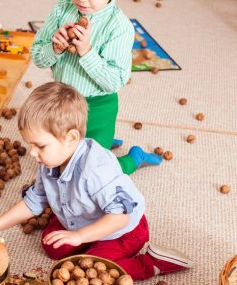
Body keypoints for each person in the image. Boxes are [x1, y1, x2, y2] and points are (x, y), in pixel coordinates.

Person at [0, 82, 192, 280]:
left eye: (40, 146)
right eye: (30, 144)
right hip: (85, 219)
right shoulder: (48, 162)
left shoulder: (96, 168)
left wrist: (79, 236)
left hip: (121, 230)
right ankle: (81, 232)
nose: (32, 153)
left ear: (72, 138)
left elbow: (120, 217)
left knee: (87, 270)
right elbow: (33, 202)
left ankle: (151, 263)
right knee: (52, 246)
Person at [31, 0, 162, 175]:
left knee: (92, 173)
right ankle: (101, 142)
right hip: (61, 105)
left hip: (98, 108)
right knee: (55, 164)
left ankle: (134, 157)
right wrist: (54, 48)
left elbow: (114, 82)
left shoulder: (119, 26)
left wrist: (87, 51)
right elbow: (38, 57)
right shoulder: (62, 9)